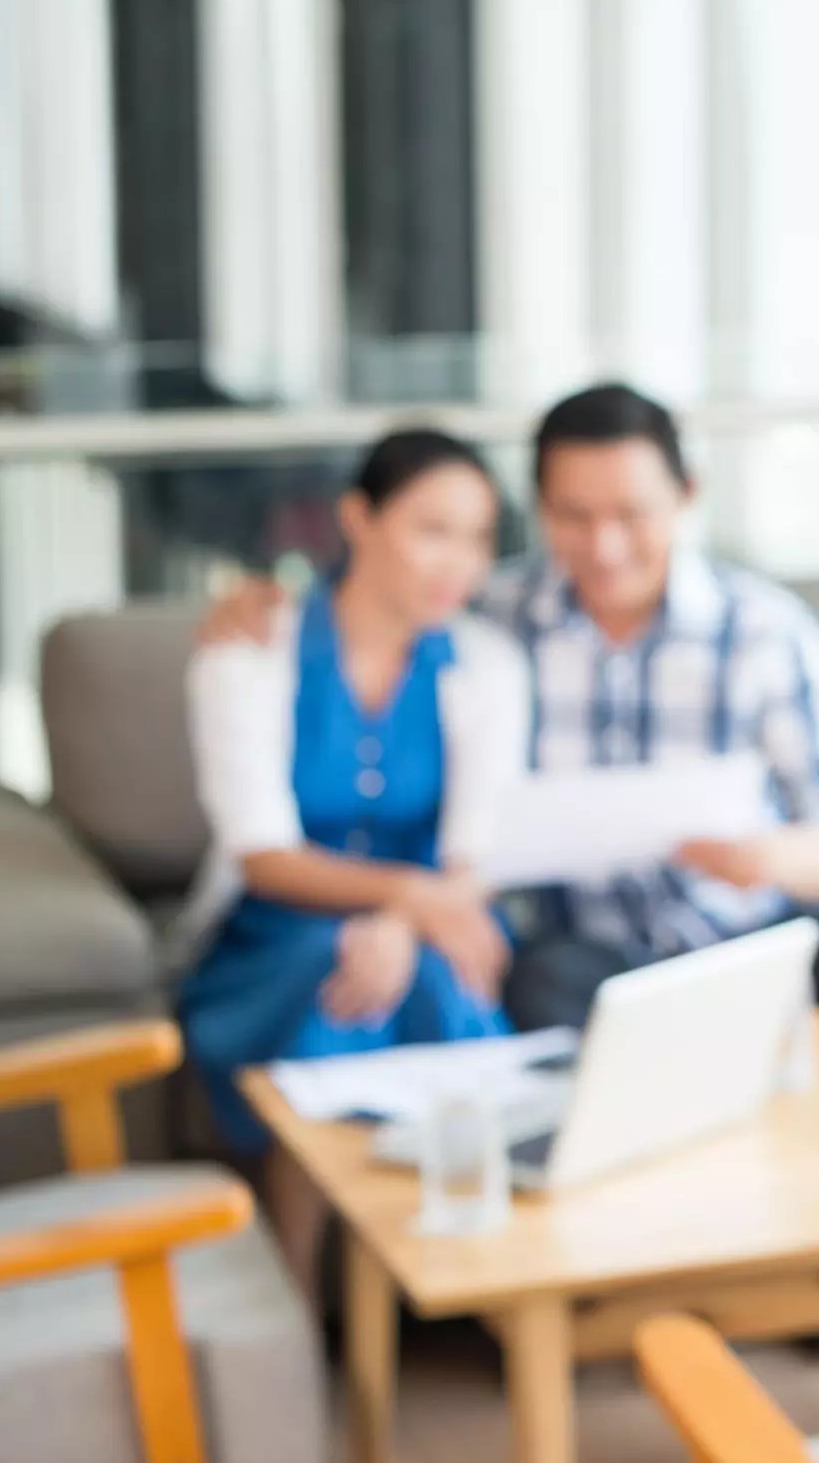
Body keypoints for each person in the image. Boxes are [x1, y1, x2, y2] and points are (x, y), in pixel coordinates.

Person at [201, 383, 819, 1030]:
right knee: (532, 993)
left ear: (686, 495)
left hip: (753, 927)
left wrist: (772, 857)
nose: (604, 548)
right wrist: (258, 600)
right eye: (574, 516)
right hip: (583, 944)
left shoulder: (766, 630)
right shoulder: (490, 620)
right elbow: (379, 604)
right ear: (541, 509)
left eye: (633, 515)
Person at [177, 428, 529, 1282]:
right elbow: (261, 854)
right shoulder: (247, 652)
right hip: (273, 934)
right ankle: (299, 1286)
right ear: (358, 518)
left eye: (478, 538)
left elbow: (470, 853)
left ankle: (480, 1277)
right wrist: (407, 903)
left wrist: (411, 917)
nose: (459, 562)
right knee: (350, 982)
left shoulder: (488, 664)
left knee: (428, 973)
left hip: (434, 923)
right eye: (432, 529)